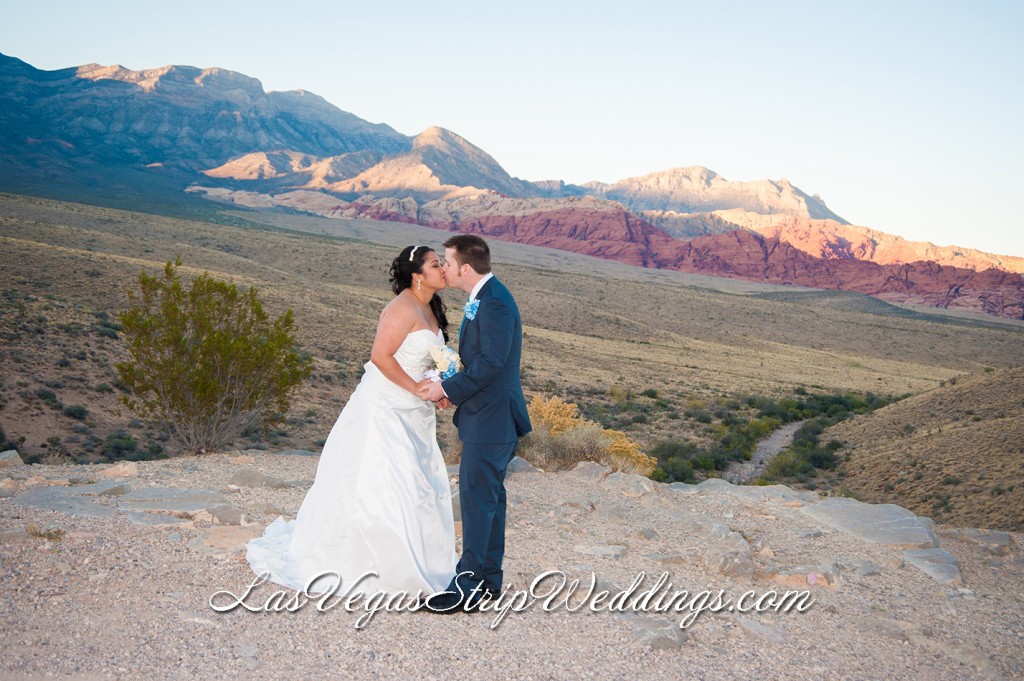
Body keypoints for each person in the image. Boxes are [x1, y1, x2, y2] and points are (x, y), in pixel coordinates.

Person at [245, 245, 456, 597]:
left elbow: (428, 358)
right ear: (418, 274)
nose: (443, 270)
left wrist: (438, 383)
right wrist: (417, 388)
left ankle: (417, 555)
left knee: (416, 480)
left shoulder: (431, 307)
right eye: (437, 265)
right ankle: (371, 561)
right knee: (385, 476)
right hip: (386, 405)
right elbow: (380, 357)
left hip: (415, 411)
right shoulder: (401, 306)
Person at [417, 234, 531, 613]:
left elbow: (491, 364)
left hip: (492, 419)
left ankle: (466, 588)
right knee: (490, 500)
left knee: (477, 500)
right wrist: (456, 390)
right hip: (487, 414)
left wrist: (445, 388)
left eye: (447, 263)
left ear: (465, 268)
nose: (444, 269)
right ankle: (488, 581)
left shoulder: (494, 302)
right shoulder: (485, 297)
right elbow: (483, 364)